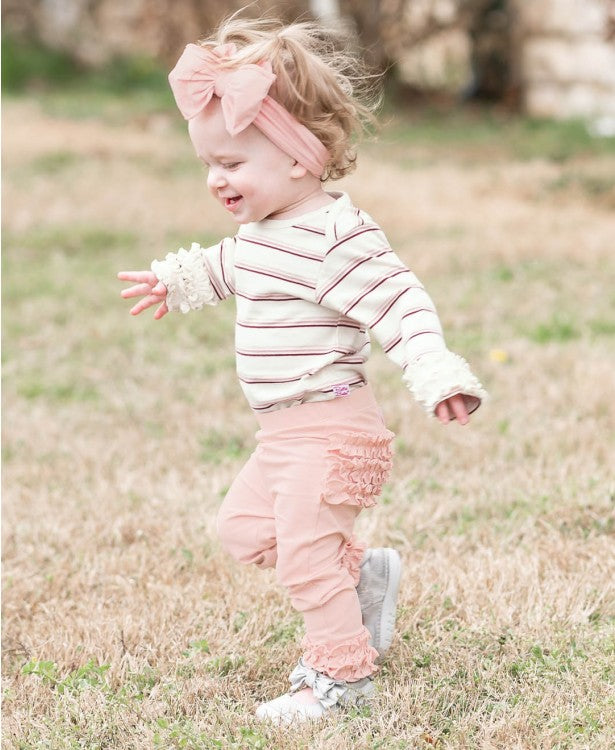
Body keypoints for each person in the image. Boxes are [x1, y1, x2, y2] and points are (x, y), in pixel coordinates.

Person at [118, 16, 487, 725]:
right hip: (280, 439)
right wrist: (179, 281)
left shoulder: (335, 237)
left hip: (331, 431)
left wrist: (435, 370)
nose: (214, 178)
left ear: (297, 156)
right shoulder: (263, 231)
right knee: (245, 531)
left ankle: (339, 682)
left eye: (231, 162)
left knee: (305, 561)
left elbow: (399, 303)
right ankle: (364, 583)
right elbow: (231, 266)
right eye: (208, 163)